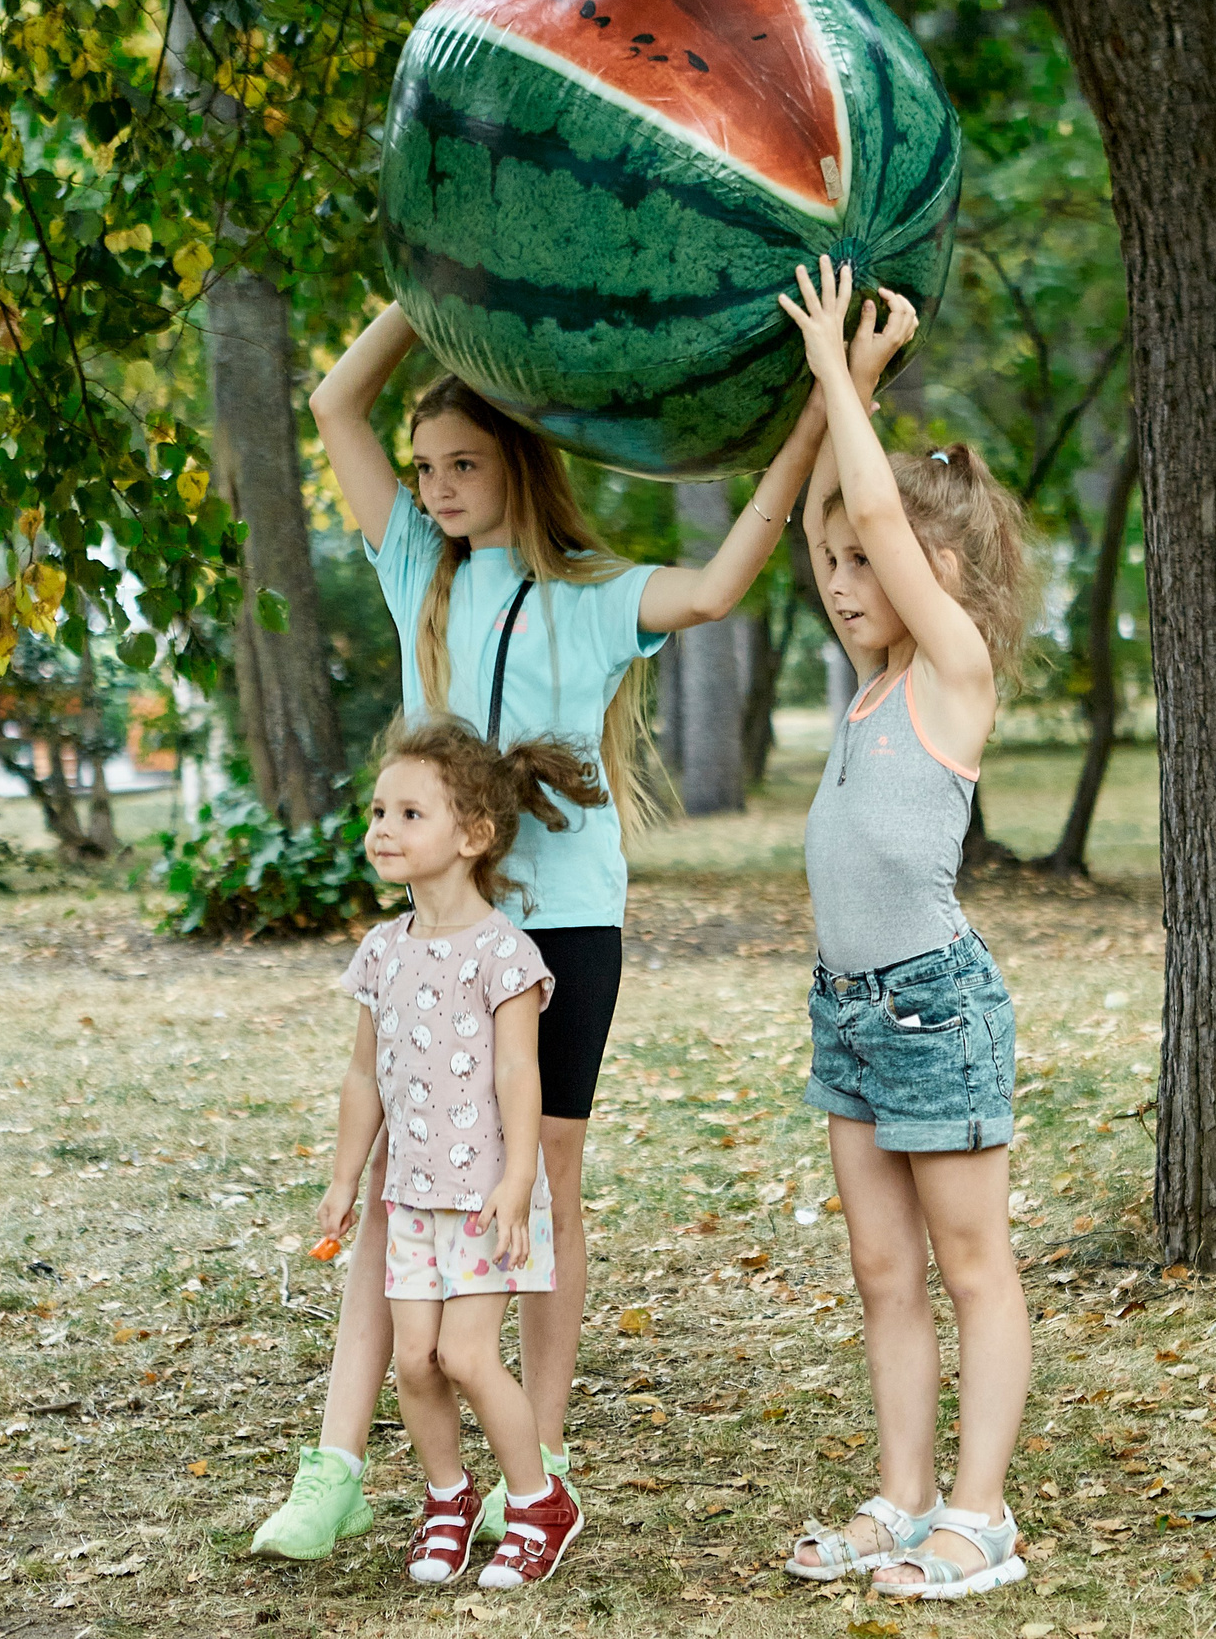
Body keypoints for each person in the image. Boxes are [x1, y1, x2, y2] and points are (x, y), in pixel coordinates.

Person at [254, 304, 905, 1559]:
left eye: (465, 467)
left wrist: (828, 399)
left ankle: (534, 1457)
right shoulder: (414, 569)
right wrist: (426, 292)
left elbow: (720, 583)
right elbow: (335, 407)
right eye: (428, 467)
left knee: (541, 1181)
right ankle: (332, 1467)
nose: (439, 490)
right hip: (441, 931)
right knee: (395, 1180)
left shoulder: (600, 596)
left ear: (521, 465)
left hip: (561, 933)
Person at [772, 259, 1041, 1599]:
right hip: (850, 1009)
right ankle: (904, 1493)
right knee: (884, 1267)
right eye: (829, 567)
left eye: (868, 562)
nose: (841, 573)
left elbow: (866, 499)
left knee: (970, 1261)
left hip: (933, 1004)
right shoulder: (876, 679)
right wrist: (859, 384)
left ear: (944, 573)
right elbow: (840, 496)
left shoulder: (953, 669)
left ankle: (979, 1515)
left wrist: (833, 365)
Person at [316, 716, 607, 1587]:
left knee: (468, 1355)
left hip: (484, 1193)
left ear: (472, 836)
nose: (382, 830)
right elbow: (364, 1077)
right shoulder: (381, 951)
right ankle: (447, 1495)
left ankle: (536, 1499)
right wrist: (341, 1180)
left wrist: (520, 1180)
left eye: (410, 814)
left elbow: (523, 1074)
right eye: (377, 812)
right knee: (412, 1359)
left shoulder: (503, 954)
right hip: (410, 1196)